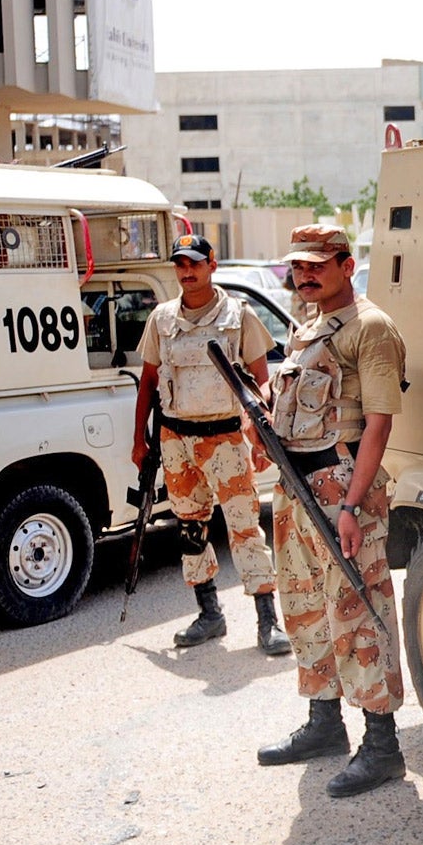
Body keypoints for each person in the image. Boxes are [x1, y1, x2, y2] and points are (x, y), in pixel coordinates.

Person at [255, 224, 411, 796]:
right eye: (298, 266)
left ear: (347, 265)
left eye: (318, 264)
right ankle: (325, 724)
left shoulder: (369, 328)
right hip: (296, 487)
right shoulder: (307, 329)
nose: (305, 275)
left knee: (359, 612)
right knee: (304, 607)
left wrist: (350, 504)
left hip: (341, 485)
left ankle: (383, 744)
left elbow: (378, 424)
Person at [133, 234, 292, 655]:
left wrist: (258, 433)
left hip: (224, 438)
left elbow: (262, 379)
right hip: (175, 439)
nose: (188, 272)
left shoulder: (238, 316)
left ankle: (267, 621)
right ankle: (209, 613)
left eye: (195, 264)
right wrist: (139, 441)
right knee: (189, 528)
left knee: (244, 528)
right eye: (181, 265)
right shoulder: (162, 319)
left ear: (211, 265)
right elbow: (148, 382)